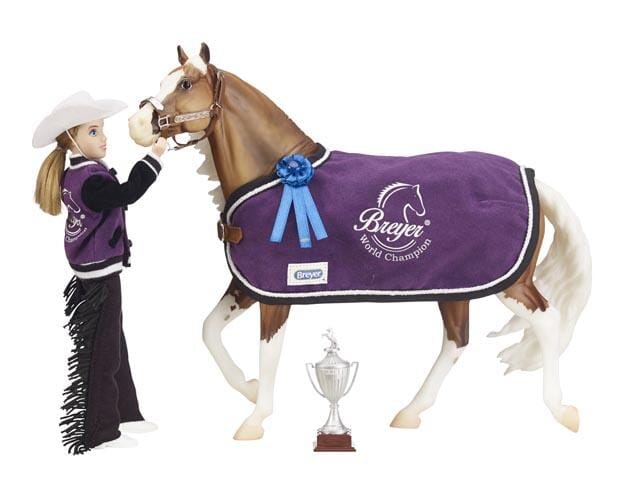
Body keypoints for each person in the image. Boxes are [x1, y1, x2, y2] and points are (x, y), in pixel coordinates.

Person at [32, 91, 167, 454]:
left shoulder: (76, 175)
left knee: (113, 344)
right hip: (100, 278)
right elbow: (128, 193)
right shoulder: (90, 180)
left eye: (102, 130)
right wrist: (154, 157)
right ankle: (99, 431)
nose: (104, 138)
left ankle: (125, 412)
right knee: (104, 352)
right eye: (93, 132)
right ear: (73, 140)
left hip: (95, 274)